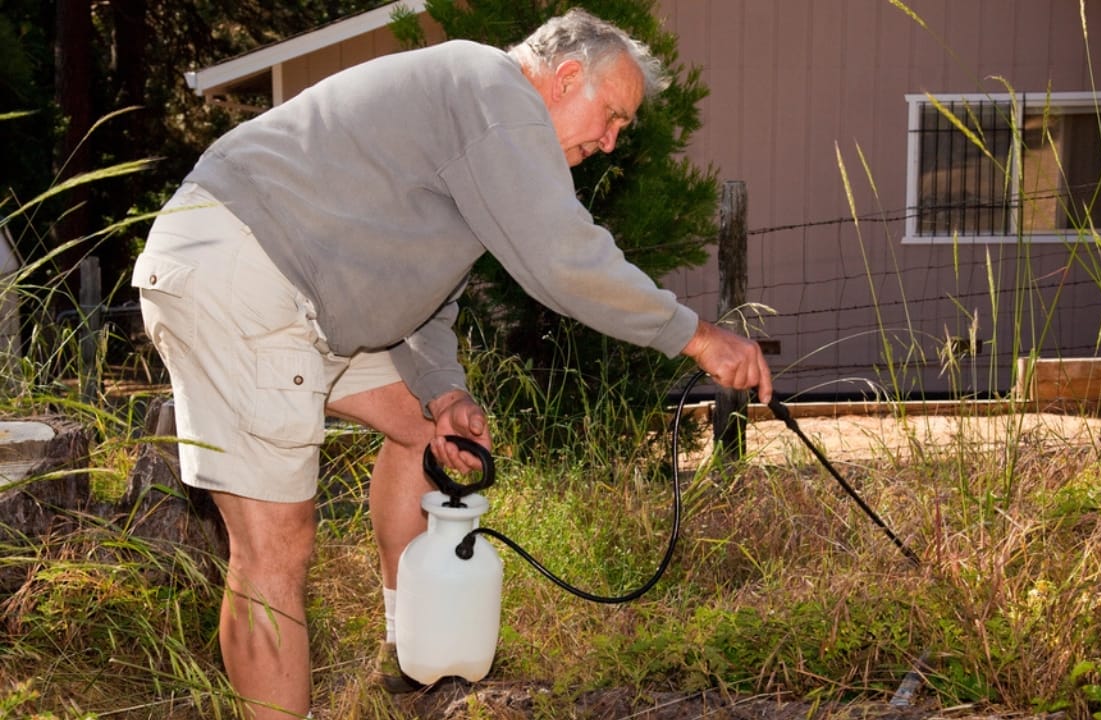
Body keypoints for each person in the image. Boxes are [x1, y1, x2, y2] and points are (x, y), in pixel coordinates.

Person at [132, 8, 772, 720]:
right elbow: (563, 260)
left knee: (420, 431)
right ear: (564, 77)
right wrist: (695, 336)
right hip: (240, 265)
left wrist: (443, 393)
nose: (611, 141)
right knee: (274, 550)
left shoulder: (475, 122)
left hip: (301, 287)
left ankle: (412, 661)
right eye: (611, 115)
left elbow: (425, 294)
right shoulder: (492, 92)